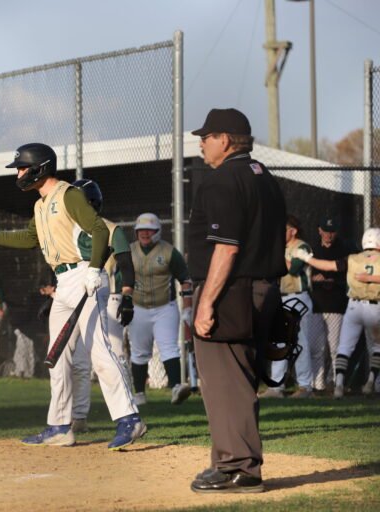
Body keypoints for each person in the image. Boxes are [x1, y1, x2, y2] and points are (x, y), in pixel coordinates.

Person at [0, 143, 145, 451]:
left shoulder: (68, 194)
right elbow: (30, 238)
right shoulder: (40, 205)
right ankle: (60, 427)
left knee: (100, 352)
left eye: (22, 167)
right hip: (63, 281)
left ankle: (129, 419)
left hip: (85, 275)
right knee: (57, 357)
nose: (18, 173)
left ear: (39, 167)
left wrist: (94, 269)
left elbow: (99, 230)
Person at [187, 108, 287, 493]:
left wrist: (206, 303)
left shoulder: (223, 179)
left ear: (225, 140)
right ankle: (229, 461)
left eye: (207, 136)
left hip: (231, 290)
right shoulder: (265, 177)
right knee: (240, 378)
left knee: (224, 380)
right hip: (264, 288)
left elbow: (227, 248)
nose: (202, 143)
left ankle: (239, 467)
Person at [64, 178, 136, 434]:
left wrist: (127, 298)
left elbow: (126, 266)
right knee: (78, 361)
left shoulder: (111, 228)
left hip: (104, 293)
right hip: (73, 292)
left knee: (109, 353)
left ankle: (128, 410)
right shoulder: (68, 229)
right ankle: (78, 418)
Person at [295, 227, 380, 398]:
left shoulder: (353, 258)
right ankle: (372, 380)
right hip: (375, 306)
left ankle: (339, 384)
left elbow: (329, 266)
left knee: (344, 347)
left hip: (354, 306)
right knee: (377, 347)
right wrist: (370, 279)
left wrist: (307, 258)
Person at [127, 212, 193, 406]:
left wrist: (187, 309)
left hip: (165, 307)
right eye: (141, 230)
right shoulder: (129, 251)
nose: (145, 233)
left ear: (157, 231)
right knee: (139, 351)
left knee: (169, 347)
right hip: (138, 307)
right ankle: (139, 393)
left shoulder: (169, 252)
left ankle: (176, 387)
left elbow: (185, 280)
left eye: (149, 230)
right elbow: (121, 278)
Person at [260, 215, 314, 399]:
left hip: (298, 297)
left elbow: (293, 269)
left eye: (283, 230)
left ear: (293, 231)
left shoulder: (301, 247)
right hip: (280, 297)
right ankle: (276, 386)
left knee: (300, 341)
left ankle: (305, 386)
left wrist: (275, 253)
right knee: (279, 341)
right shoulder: (279, 248)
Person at [308, 217, 359, 390]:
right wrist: (313, 279)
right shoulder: (312, 250)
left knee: (335, 347)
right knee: (316, 347)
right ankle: (317, 383)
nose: (329, 235)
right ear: (319, 230)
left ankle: (335, 382)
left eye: (332, 231)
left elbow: (349, 273)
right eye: (325, 231)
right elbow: (304, 274)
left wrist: (334, 281)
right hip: (316, 304)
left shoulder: (344, 249)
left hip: (336, 304)